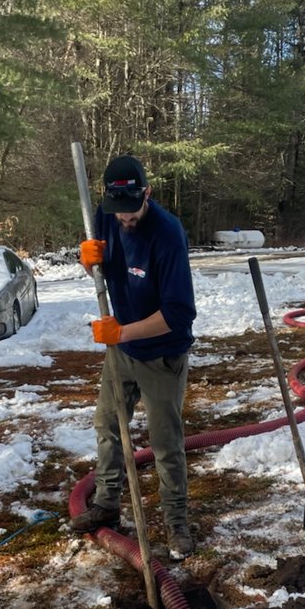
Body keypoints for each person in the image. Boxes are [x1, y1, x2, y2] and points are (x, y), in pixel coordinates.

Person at [71, 154, 196, 560]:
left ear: (148, 194)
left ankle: (177, 523)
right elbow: (106, 267)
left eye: (132, 211)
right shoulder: (106, 214)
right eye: (117, 212)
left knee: (164, 442)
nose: (124, 219)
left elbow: (178, 314)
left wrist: (122, 331)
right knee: (108, 425)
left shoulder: (167, 233)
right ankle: (107, 502)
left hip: (162, 354)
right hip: (120, 351)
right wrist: (87, 259)